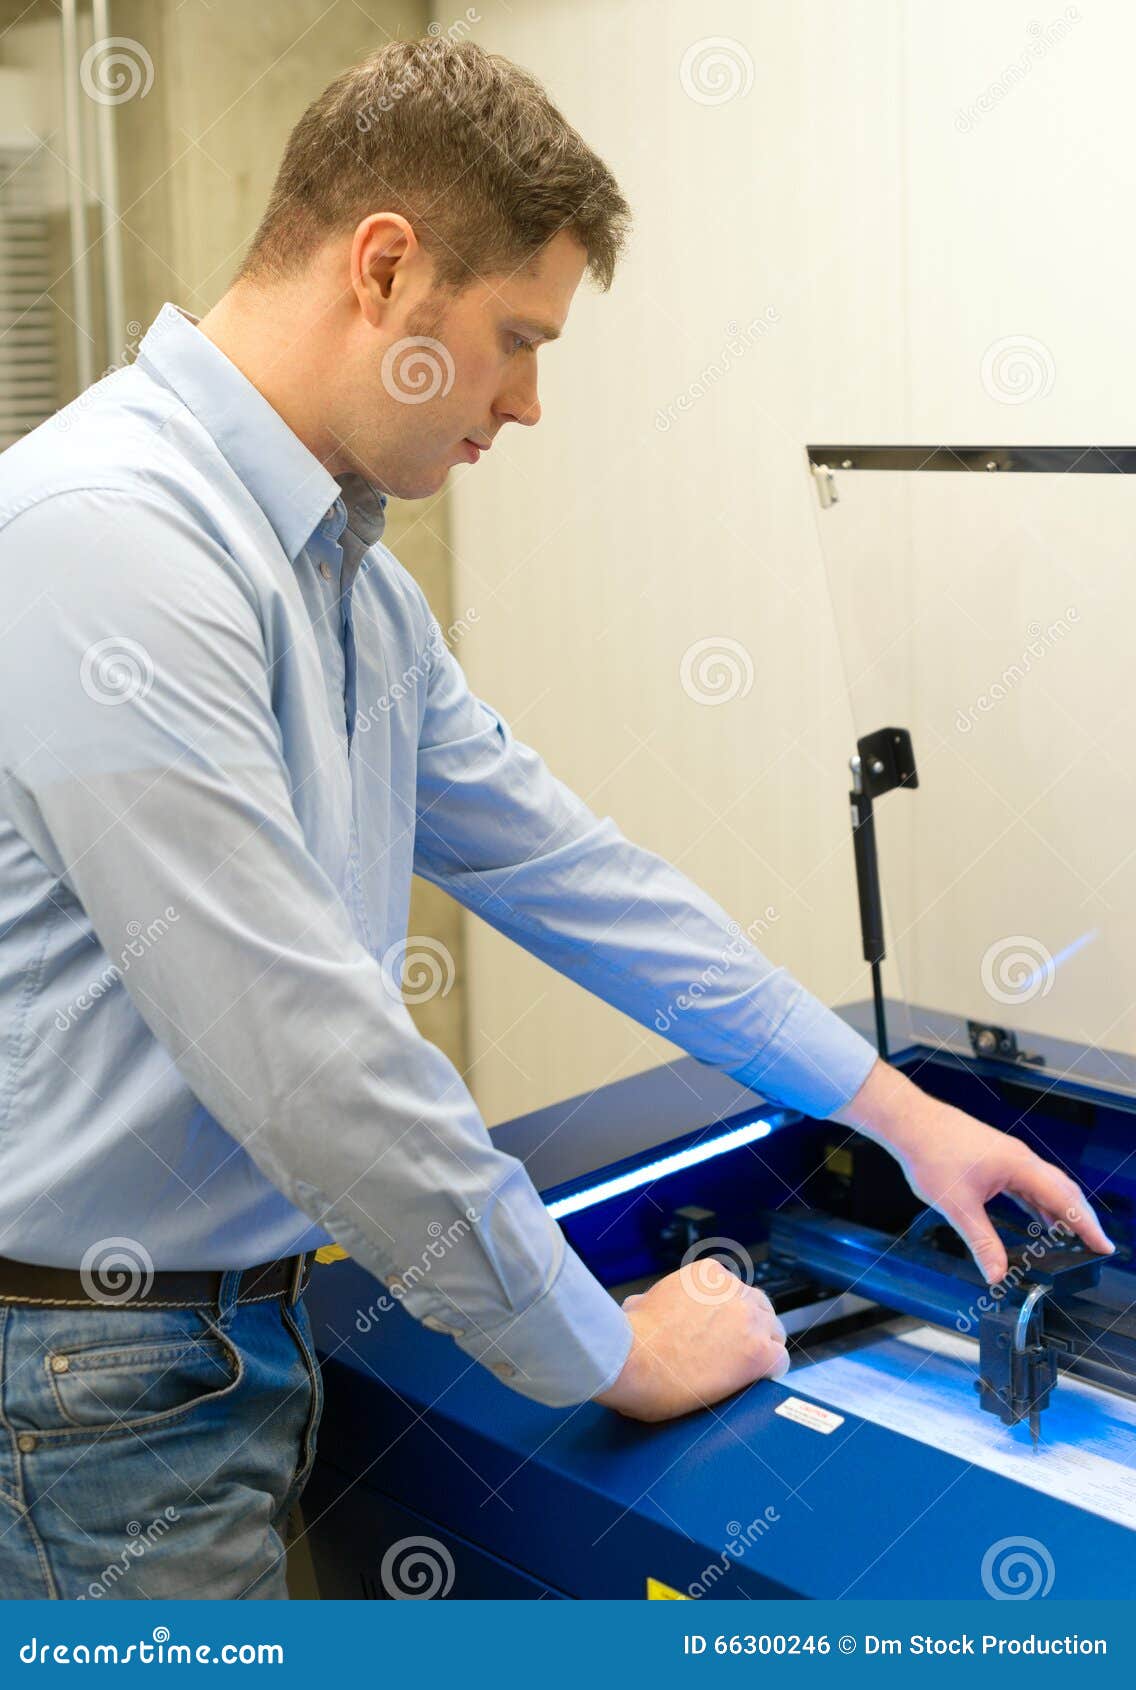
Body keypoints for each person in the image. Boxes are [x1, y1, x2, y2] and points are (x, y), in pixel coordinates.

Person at [0, 37, 1111, 1601]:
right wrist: (607, 1347)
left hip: (234, 1336)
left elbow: (584, 879)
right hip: (90, 1394)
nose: (529, 402)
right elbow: (309, 1052)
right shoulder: (107, 542)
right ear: (384, 268)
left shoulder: (354, 593)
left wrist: (895, 1111)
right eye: (516, 337)